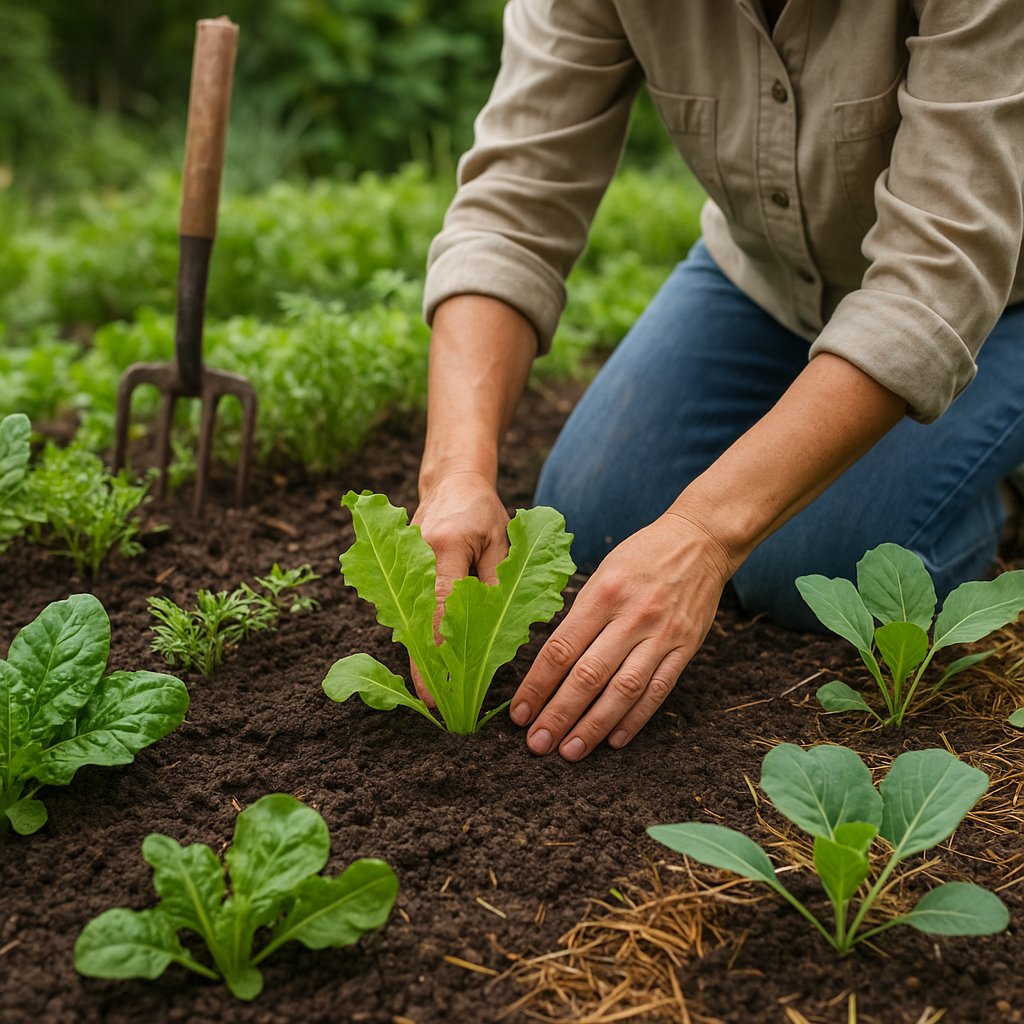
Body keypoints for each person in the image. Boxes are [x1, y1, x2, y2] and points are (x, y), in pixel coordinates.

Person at [410, 0, 1024, 761]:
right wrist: (456, 472)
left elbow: (937, 276)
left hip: (992, 297)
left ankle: (991, 485)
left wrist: (705, 533)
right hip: (770, 282)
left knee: (819, 563)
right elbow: (511, 210)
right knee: (592, 512)